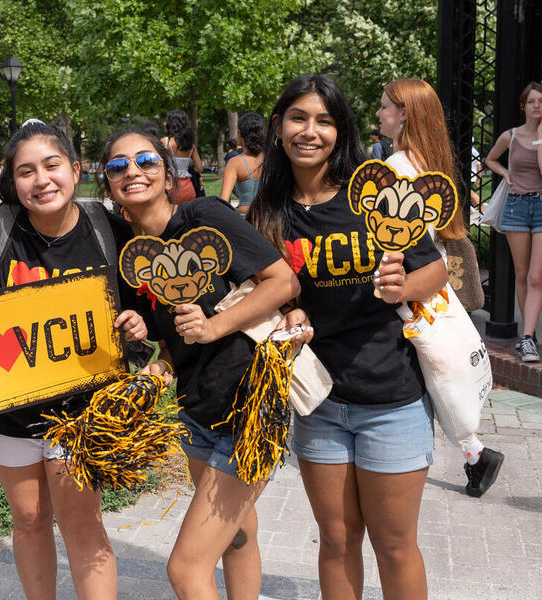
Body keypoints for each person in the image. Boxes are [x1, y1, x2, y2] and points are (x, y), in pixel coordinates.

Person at [248, 74, 448, 600]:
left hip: (391, 399)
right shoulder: (267, 213)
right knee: (336, 539)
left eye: (324, 121)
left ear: (341, 130)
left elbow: (437, 271)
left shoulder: (372, 196)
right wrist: (286, 316)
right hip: (318, 403)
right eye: (298, 118)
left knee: (394, 543)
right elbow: (259, 296)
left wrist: (402, 283)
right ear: (277, 128)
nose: (310, 132)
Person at [0, 120, 148, 600]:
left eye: (52, 166)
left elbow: (142, 310)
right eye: (25, 171)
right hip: (9, 411)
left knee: (82, 524)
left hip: (82, 413)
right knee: (29, 519)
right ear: (13, 181)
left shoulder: (109, 230)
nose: (41, 180)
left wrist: (138, 330)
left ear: (75, 169)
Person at [98, 127, 300, 599]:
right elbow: (173, 341)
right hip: (197, 410)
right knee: (235, 535)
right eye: (117, 166)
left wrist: (214, 325)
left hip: (250, 407)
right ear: (108, 184)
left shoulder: (203, 219)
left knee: (186, 569)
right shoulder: (133, 255)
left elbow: (282, 282)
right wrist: (157, 359)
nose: (133, 171)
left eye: (146, 160)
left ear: (169, 175)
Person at [377, 77, 505, 498]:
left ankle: (465, 454)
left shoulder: (396, 168)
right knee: (437, 372)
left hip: (405, 285)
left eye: (384, 107)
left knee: (429, 374)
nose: (379, 113)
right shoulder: (427, 162)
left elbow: (388, 238)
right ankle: (475, 455)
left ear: (404, 114)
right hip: (431, 284)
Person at [485, 81, 542, 361]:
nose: (537, 106)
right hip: (517, 206)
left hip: (541, 206)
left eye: (541, 101)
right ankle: (526, 337)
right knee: (521, 274)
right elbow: (490, 159)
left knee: (536, 276)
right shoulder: (511, 135)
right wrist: (506, 173)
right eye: (532, 101)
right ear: (523, 106)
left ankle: (529, 337)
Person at [220, 112, 265, 214]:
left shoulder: (235, 163)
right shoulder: (270, 160)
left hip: (244, 218)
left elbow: (223, 200)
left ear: (239, 133)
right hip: (268, 218)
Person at [161, 109, 203, 204]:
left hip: (171, 186)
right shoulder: (190, 145)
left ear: (172, 124)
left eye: (167, 121)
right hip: (188, 188)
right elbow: (199, 168)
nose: (164, 123)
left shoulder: (165, 142)